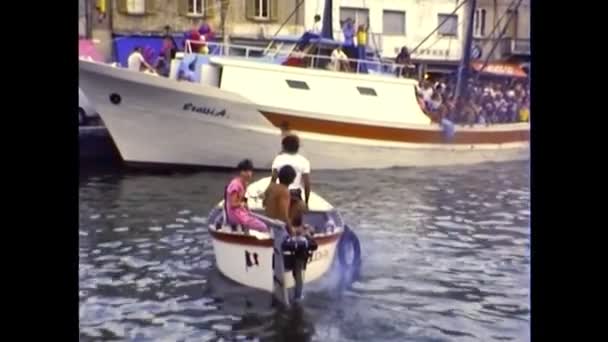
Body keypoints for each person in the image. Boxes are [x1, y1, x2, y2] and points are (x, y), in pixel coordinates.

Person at [225, 159, 268, 232]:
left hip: (241, 212)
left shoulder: (244, 183)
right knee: (263, 226)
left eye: (250, 171)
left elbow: (243, 198)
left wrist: (247, 208)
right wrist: (242, 204)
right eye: (245, 171)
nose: (248, 174)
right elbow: (232, 204)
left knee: (261, 220)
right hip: (235, 214)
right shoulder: (235, 185)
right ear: (240, 172)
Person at [270, 135, 311, 207]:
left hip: (280, 192)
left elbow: (273, 180)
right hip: (295, 194)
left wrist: (268, 196)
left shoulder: (278, 159)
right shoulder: (304, 161)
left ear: (284, 147)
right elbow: (307, 184)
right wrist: (306, 203)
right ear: (298, 147)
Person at [263, 165, 297, 236]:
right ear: (292, 180)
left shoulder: (271, 187)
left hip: (267, 225)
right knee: (307, 230)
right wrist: (292, 231)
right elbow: (283, 215)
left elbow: (264, 203)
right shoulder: (284, 191)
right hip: (277, 229)